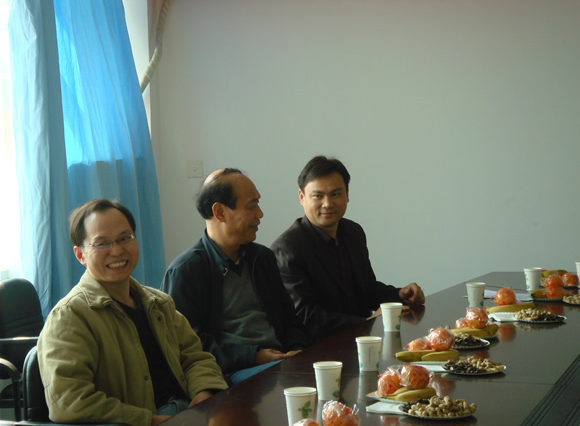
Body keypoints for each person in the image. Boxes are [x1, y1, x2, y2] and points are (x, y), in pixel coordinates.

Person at [37, 199, 228, 426]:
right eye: (102, 243)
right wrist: (150, 420)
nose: (117, 251)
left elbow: (196, 358)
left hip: (189, 410)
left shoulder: (159, 303)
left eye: (124, 238)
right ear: (80, 255)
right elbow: (69, 402)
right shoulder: (69, 317)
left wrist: (203, 395)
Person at [161, 168, 311, 384]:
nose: (260, 214)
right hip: (231, 372)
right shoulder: (186, 271)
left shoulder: (262, 258)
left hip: (281, 362)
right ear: (220, 212)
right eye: (251, 206)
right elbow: (188, 346)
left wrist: (298, 349)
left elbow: (290, 319)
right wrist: (253, 356)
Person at [271, 156, 425, 342]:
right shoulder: (286, 248)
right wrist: (365, 321)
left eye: (335, 194)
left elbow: (366, 289)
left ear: (347, 194)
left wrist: (399, 295)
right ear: (301, 197)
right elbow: (307, 317)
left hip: (362, 342)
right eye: (318, 196)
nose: (327, 204)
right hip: (317, 350)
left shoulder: (353, 232)